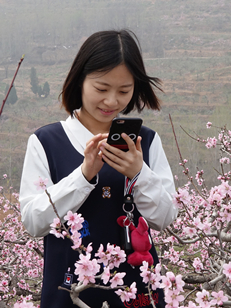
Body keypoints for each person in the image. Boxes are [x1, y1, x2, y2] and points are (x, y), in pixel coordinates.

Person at [19, 29, 177, 308]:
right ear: (79, 80)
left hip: (137, 294)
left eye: (124, 91)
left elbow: (164, 218)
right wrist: (83, 176)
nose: (112, 102)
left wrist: (139, 174)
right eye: (101, 89)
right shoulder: (46, 142)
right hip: (67, 296)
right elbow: (33, 222)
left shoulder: (146, 142)